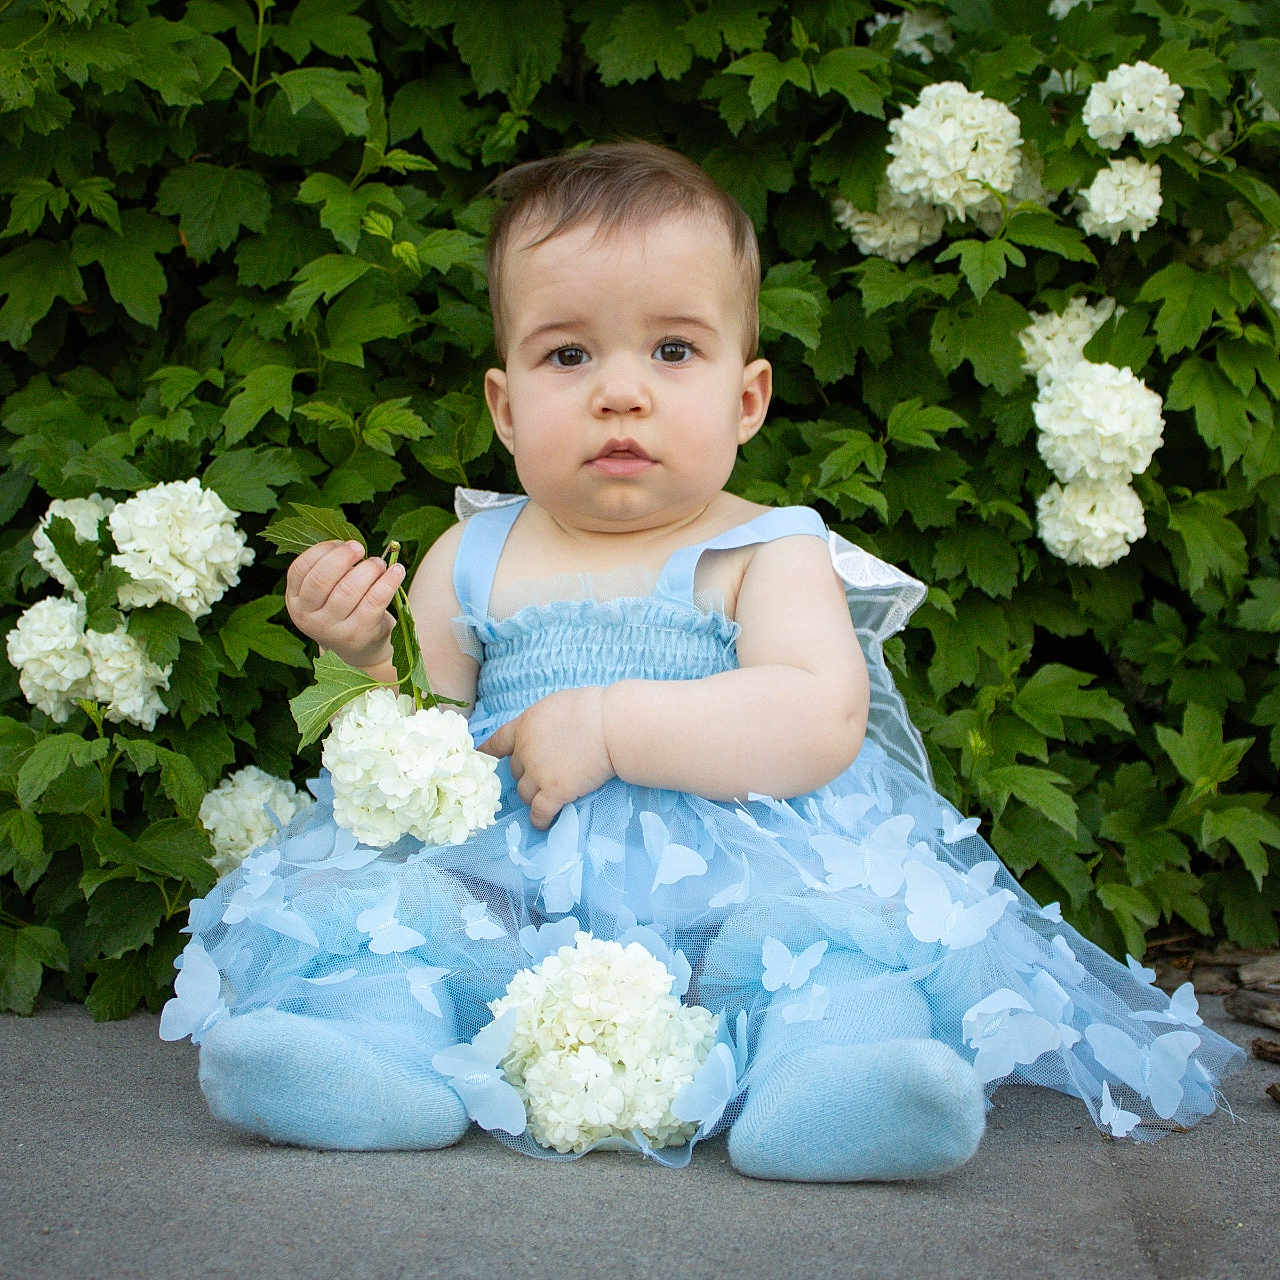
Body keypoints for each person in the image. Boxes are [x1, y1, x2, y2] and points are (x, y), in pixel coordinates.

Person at [167, 142, 1244, 1181]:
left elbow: (819, 715)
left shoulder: (764, 548)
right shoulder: (471, 553)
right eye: (567, 354)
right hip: (512, 886)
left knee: (830, 945)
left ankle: (835, 1083)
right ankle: (374, 1060)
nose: (619, 392)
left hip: (739, 883)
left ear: (747, 396)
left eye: (672, 350)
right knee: (391, 911)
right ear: (504, 406)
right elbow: (424, 752)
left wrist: (612, 724)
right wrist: (366, 655)